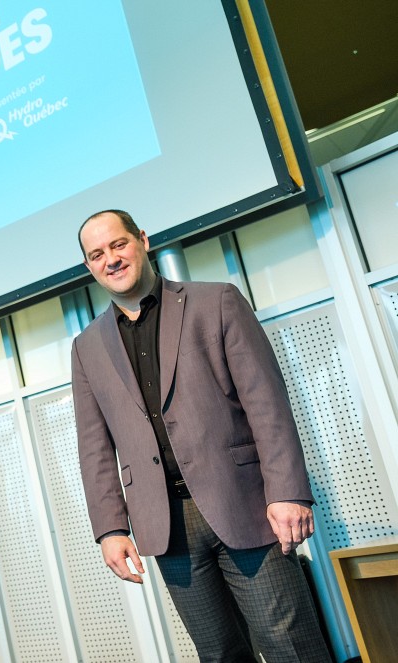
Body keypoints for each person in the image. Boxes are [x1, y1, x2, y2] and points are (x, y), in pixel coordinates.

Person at [71, 210, 331, 662]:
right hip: (166, 527)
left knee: (289, 643)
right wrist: (111, 529)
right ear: (90, 267)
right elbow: (94, 445)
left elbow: (267, 403)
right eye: (97, 254)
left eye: (118, 245)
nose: (110, 259)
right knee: (218, 653)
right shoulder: (86, 346)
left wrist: (287, 491)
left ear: (143, 240)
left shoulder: (217, 302)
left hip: (244, 504)